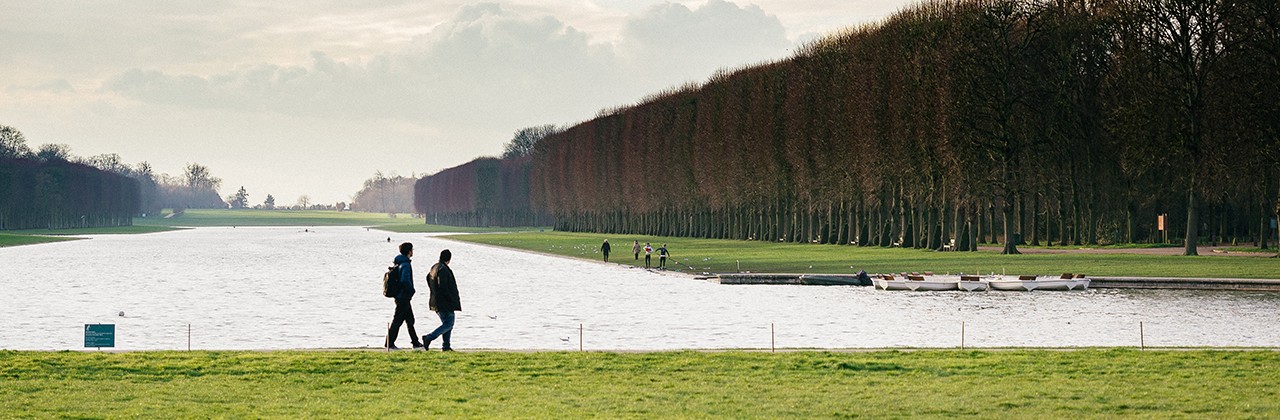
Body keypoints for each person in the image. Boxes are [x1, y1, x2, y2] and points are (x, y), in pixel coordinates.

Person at [422, 249, 461, 351]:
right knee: (449, 323)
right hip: (444, 302)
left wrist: (433, 292)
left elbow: (428, 279)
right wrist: (451, 299)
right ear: (449, 259)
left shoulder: (434, 267)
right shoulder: (443, 269)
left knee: (447, 324)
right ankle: (429, 337)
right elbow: (443, 286)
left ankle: (446, 346)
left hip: (435, 300)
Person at [386, 242, 424, 350]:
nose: (413, 252)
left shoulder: (399, 262)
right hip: (403, 297)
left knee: (410, 320)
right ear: (409, 251)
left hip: (401, 296)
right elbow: (404, 280)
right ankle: (389, 344)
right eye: (412, 250)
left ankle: (415, 343)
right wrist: (412, 290)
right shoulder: (406, 264)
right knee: (397, 320)